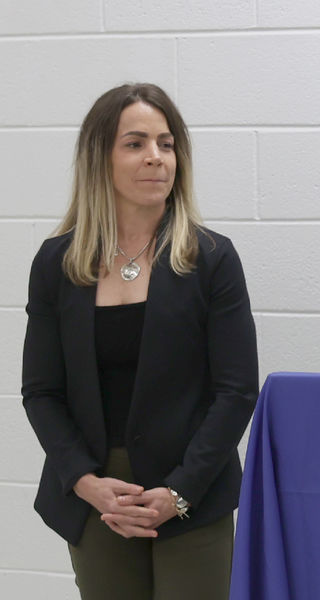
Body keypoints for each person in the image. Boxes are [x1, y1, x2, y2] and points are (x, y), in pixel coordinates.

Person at [21, 83, 259, 599]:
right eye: (135, 143)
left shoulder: (212, 258)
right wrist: (86, 483)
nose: (155, 158)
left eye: (166, 144)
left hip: (191, 491)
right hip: (97, 495)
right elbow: (41, 391)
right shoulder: (56, 263)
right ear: (98, 158)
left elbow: (236, 390)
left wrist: (181, 491)